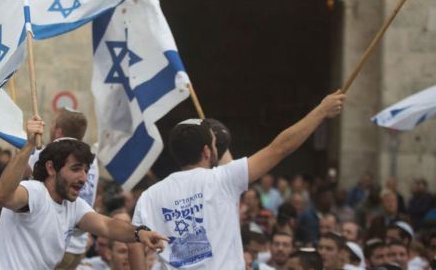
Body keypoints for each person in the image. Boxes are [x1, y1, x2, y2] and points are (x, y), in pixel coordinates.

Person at [129, 91, 345, 269]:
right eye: (214, 144)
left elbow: (134, 242)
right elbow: (280, 148)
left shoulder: (150, 195)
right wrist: (321, 111)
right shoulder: (224, 178)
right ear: (207, 151)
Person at [0, 116, 166, 269]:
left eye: (86, 170)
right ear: (51, 168)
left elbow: (107, 226)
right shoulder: (35, 192)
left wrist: (140, 233)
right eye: (76, 169)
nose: (83, 178)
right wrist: (28, 146)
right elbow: (3, 196)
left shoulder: (73, 206)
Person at [26, 107, 100, 270]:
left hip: (57, 244)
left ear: (58, 132)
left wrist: (25, 145)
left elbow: (22, 173)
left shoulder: (49, 156)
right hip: (80, 243)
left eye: (52, 124)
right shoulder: (90, 162)